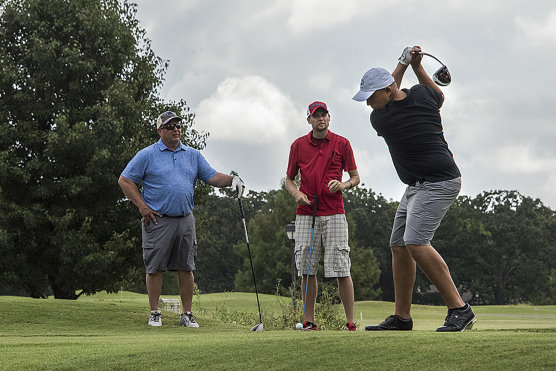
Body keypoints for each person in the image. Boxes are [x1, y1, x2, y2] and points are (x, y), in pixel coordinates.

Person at [352, 46, 476, 332]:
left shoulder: (383, 118)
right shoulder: (421, 97)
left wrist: (403, 62)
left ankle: (460, 309)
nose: (369, 103)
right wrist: (417, 66)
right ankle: (402, 317)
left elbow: (394, 82)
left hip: (439, 182)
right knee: (399, 245)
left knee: (416, 243)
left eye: (371, 96)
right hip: (416, 187)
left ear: (386, 90)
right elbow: (437, 94)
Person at [118, 111, 244, 327]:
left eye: (178, 125)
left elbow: (212, 176)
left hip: (185, 219)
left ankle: (186, 314)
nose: (176, 129)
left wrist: (233, 179)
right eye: (170, 126)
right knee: (155, 267)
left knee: (186, 267)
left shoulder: (192, 155)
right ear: (160, 131)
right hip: (158, 219)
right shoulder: (147, 155)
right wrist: (143, 207)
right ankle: (155, 312)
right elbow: (125, 180)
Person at [286, 101, 360, 331]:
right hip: (306, 212)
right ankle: (309, 321)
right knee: (306, 269)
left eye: (324, 115)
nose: (320, 119)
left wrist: (344, 184)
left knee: (341, 267)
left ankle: (350, 322)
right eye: (316, 115)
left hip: (335, 212)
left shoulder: (342, 143)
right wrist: (297, 193)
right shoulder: (298, 145)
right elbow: (289, 179)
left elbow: (355, 177)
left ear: (329, 118)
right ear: (309, 120)